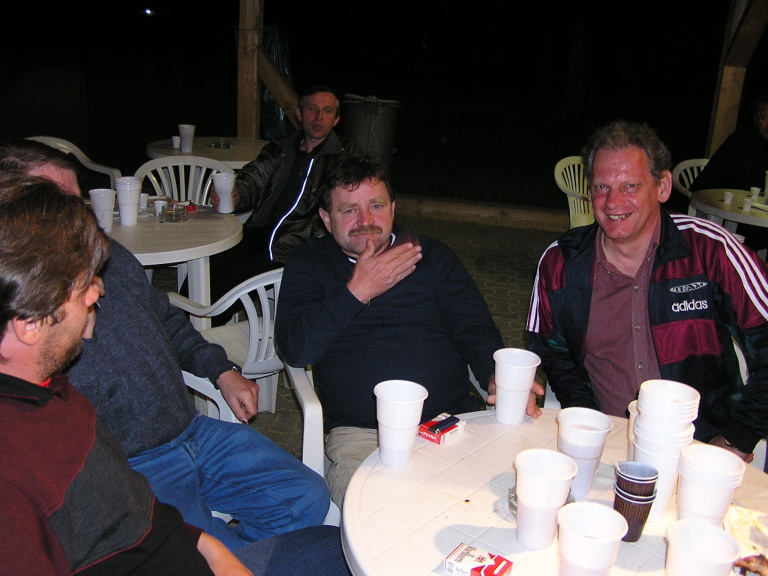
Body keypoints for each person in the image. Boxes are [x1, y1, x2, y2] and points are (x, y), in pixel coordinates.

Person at [0, 175, 351, 576]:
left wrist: (221, 370)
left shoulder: (57, 388)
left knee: (307, 499)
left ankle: (239, 548)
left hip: (192, 430)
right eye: (83, 288)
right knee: (329, 553)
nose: (98, 291)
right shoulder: (33, 439)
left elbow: (167, 319)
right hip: (141, 462)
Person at [275, 155, 543, 506]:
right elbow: (296, 349)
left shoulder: (431, 257)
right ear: (326, 219)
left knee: (509, 502)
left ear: (393, 208)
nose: (365, 220)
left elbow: (474, 329)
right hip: (366, 436)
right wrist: (358, 291)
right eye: (349, 210)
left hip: (453, 422)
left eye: (376, 206)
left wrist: (495, 376)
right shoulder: (310, 262)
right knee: (381, 519)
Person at [527, 119, 768, 463]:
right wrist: (588, 420)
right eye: (601, 187)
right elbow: (554, 353)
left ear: (663, 187)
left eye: (630, 186)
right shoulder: (561, 262)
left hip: (700, 447)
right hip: (606, 446)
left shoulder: (711, 252)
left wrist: (737, 439)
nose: (613, 202)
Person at [208, 85, 361, 304]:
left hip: (295, 244)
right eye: (312, 108)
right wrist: (236, 195)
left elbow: (354, 205)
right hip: (258, 232)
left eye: (327, 111)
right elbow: (255, 178)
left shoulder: (346, 158)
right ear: (299, 113)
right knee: (207, 272)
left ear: (336, 119)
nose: (318, 117)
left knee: (229, 289)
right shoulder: (280, 148)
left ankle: (199, 323)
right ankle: (182, 319)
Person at [690, 97, 768, 193]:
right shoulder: (743, 139)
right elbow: (744, 183)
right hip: (713, 196)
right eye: (764, 118)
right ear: (755, 119)